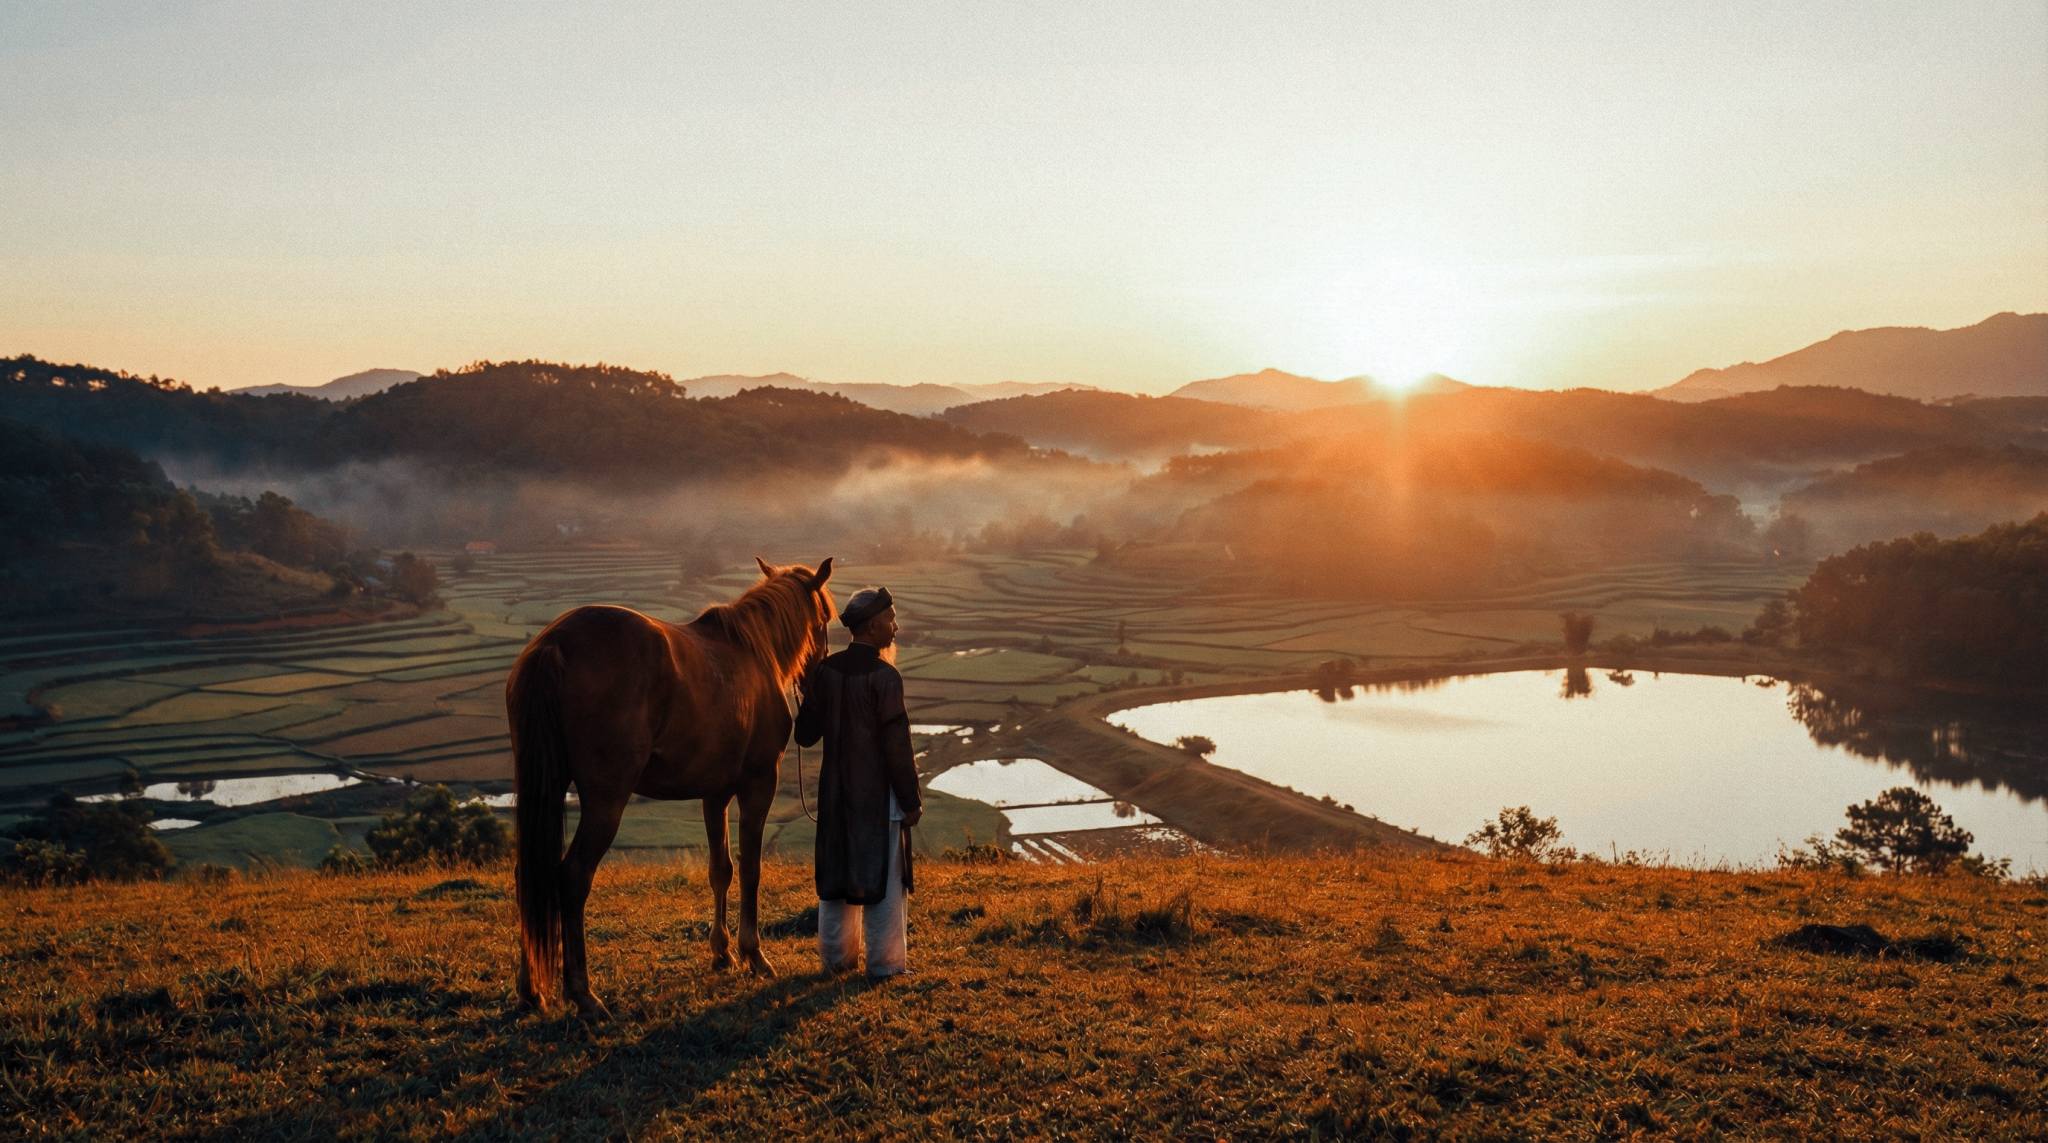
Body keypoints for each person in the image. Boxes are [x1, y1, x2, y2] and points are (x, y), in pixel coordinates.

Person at [794, 585, 922, 979]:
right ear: (871, 627)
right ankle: (884, 965)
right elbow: (896, 744)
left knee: (836, 875)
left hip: (835, 795)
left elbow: (804, 735)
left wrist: (808, 690)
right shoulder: (885, 678)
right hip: (877, 796)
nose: (895, 627)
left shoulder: (825, 673)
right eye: (890, 619)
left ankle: (836, 960)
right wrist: (911, 799)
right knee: (884, 878)